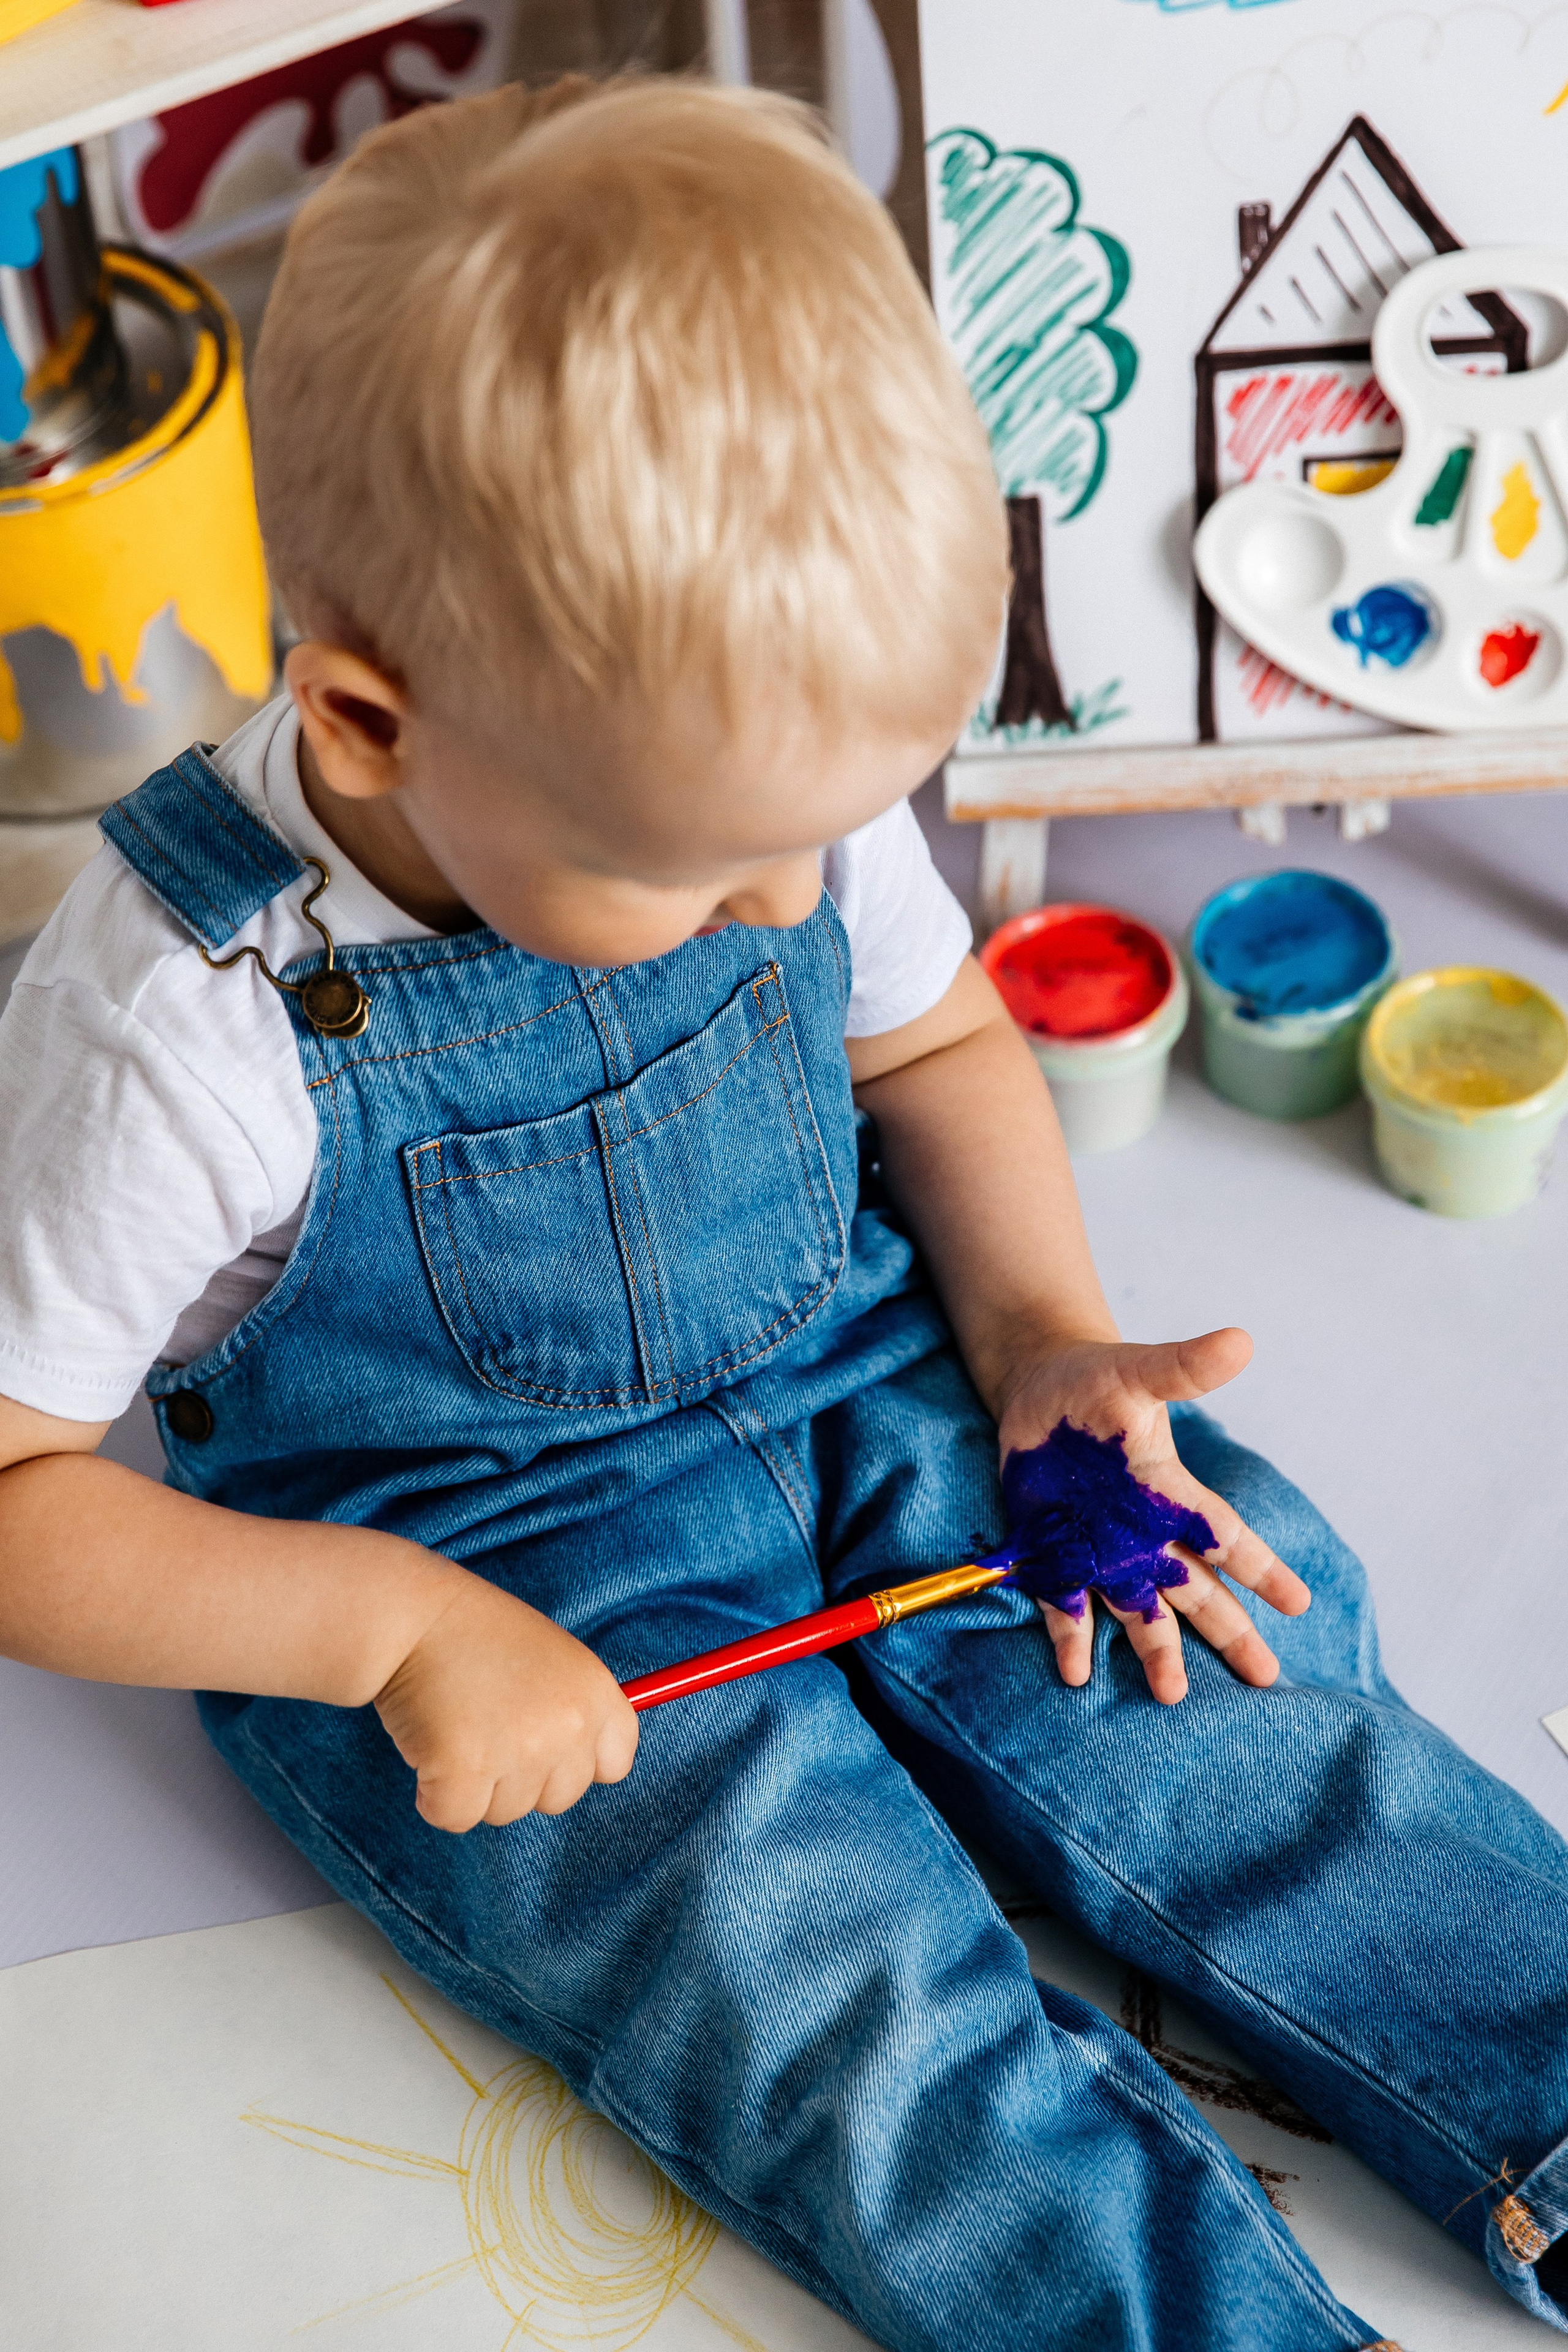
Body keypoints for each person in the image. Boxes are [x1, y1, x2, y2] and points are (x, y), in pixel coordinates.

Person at [0, 76, 1562, 2351]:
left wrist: (1041, 1334)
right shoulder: (177, 1020)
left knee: (1242, 1687)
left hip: (869, 1357)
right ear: (365, 719)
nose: (786, 902)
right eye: (714, 873)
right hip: (475, 1563)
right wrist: (398, 1644)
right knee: (839, 2015)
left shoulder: (751, 775)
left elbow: (925, 1051)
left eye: (823, 838)